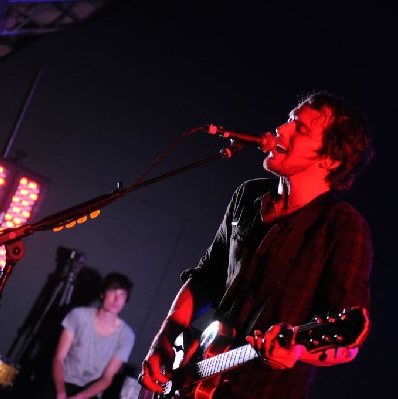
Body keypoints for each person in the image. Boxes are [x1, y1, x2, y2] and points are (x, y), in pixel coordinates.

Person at [138, 91, 374, 399]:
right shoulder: (248, 196)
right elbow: (205, 279)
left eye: (299, 129)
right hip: (195, 373)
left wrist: (298, 350)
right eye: (290, 120)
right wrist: (164, 341)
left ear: (329, 159)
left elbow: (348, 343)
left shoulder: (342, 226)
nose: (281, 129)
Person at [36, 271, 135, 399]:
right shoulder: (78, 315)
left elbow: (107, 378)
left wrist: (78, 398)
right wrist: (60, 392)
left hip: (89, 391)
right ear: (102, 294)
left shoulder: (126, 335)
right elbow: (59, 358)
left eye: (122, 295)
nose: (116, 299)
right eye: (112, 292)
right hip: (62, 382)